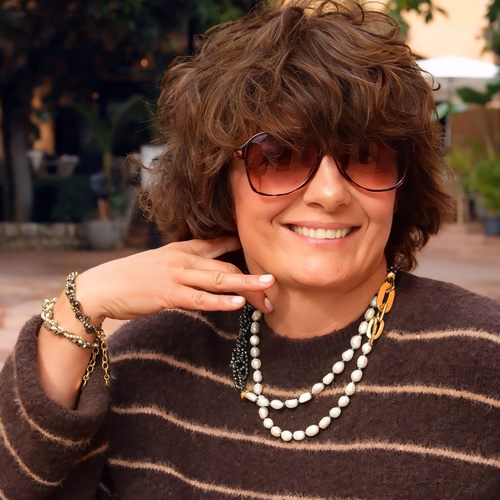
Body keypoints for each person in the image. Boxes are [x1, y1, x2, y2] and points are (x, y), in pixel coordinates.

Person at [1, 1, 499, 498]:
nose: (330, 194)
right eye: (279, 157)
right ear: (220, 180)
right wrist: (78, 306)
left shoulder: (483, 356)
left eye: (367, 156)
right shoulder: (150, 359)